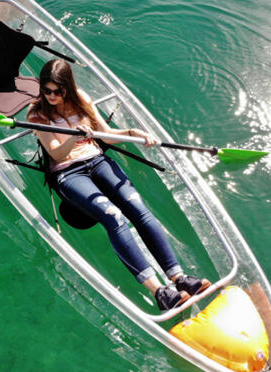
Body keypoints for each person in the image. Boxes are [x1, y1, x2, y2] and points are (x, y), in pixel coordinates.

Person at [27, 59, 210, 310]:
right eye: (46, 91)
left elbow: (106, 137)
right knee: (113, 215)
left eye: (57, 91)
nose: (51, 96)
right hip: (68, 173)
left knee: (137, 207)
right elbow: (57, 154)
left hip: (97, 160)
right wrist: (75, 136)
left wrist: (135, 133)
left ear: (68, 87)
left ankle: (179, 278)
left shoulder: (80, 98)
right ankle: (160, 292)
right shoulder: (36, 112)